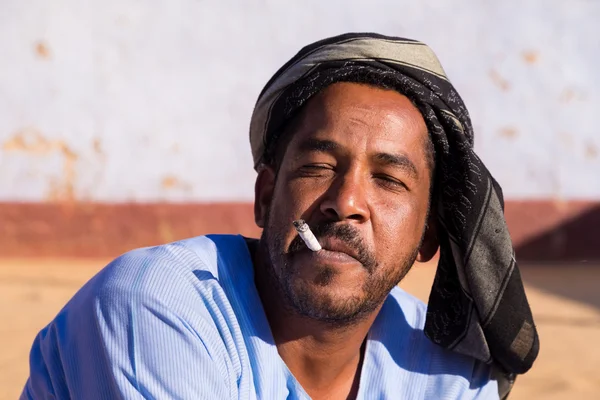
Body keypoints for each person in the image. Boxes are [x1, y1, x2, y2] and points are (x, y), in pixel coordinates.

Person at [21, 33, 539, 400]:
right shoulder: (157, 308)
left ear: (429, 235)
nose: (347, 201)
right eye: (318, 166)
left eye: (389, 180)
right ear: (266, 197)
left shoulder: (446, 374)